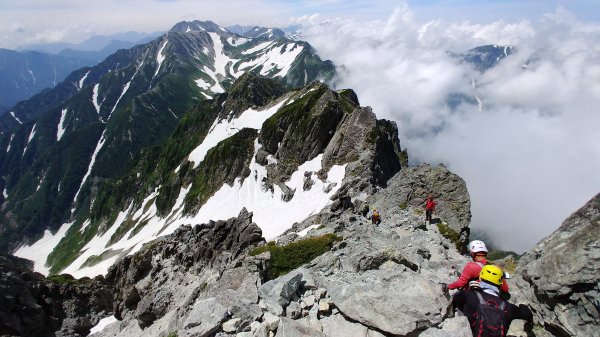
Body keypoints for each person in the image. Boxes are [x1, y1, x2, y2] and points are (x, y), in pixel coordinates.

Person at [452, 264, 533, 337]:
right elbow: (528, 314)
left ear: (480, 278)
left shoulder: (468, 295)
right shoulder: (508, 307)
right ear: (501, 284)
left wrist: (470, 290)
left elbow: (454, 299)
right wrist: (522, 305)